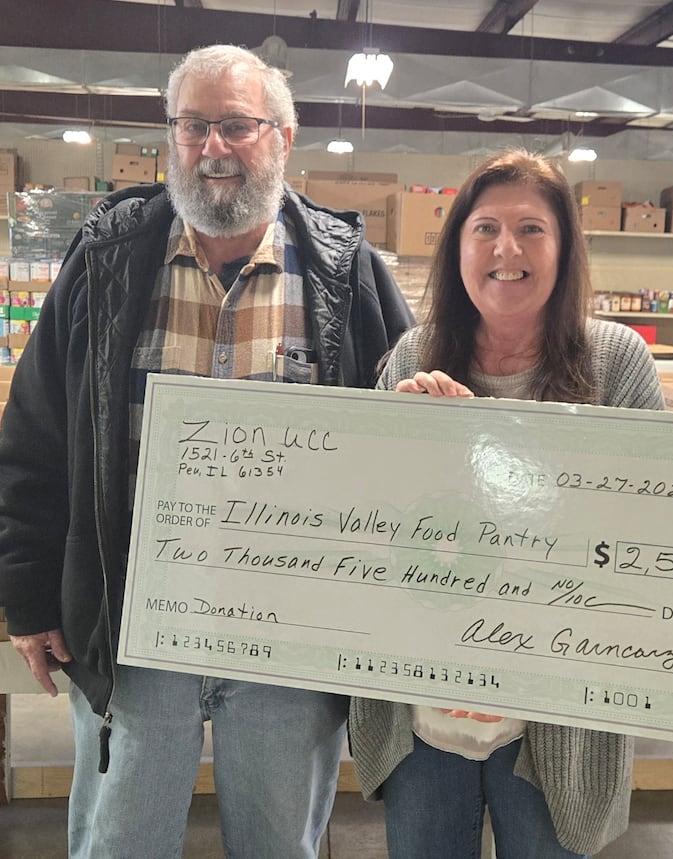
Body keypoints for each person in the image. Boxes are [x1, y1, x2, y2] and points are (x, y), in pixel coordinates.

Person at [0, 44, 413, 858]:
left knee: (279, 843)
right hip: (132, 624)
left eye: (236, 125)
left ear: (283, 137)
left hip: (292, 640)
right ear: (171, 135)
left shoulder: (345, 272)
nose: (212, 148)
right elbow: (38, 431)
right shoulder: (107, 257)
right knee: (120, 842)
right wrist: (31, 596)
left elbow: (405, 448)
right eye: (193, 126)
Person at [349, 149, 665, 859]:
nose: (507, 249)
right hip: (426, 714)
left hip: (558, 719)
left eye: (532, 228)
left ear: (565, 248)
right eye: (485, 227)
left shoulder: (616, 362)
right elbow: (368, 535)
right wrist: (398, 450)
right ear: (458, 245)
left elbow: (643, 539)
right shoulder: (411, 358)